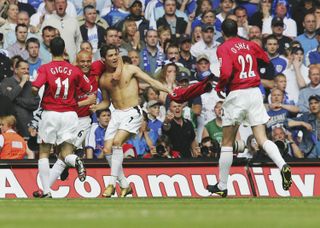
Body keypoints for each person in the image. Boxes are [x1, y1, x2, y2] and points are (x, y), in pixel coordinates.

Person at [207, 19, 292, 198]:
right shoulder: (248, 44)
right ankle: (283, 164)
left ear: (222, 33)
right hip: (255, 92)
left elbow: (227, 72)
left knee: (227, 142)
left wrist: (219, 86)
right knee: (262, 138)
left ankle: (222, 185)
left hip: (238, 93)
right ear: (236, 30)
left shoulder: (223, 47)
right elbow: (265, 59)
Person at [91, 44, 170, 198]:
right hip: (117, 114)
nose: (114, 58)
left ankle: (111, 184)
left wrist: (170, 91)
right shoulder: (103, 80)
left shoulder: (130, 69)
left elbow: (151, 81)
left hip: (133, 112)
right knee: (106, 150)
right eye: (110, 55)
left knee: (117, 143)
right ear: (103, 59)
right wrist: (96, 107)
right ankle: (125, 186)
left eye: (116, 54)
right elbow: (107, 102)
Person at [31, 37, 92, 198]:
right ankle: (76, 160)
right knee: (65, 153)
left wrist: (34, 91)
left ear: (50, 50)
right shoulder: (74, 69)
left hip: (51, 113)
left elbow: (35, 87)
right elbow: (87, 88)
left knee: (44, 152)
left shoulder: (45, 68)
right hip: (70, 115)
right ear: (64, 49)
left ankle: (46, 191)